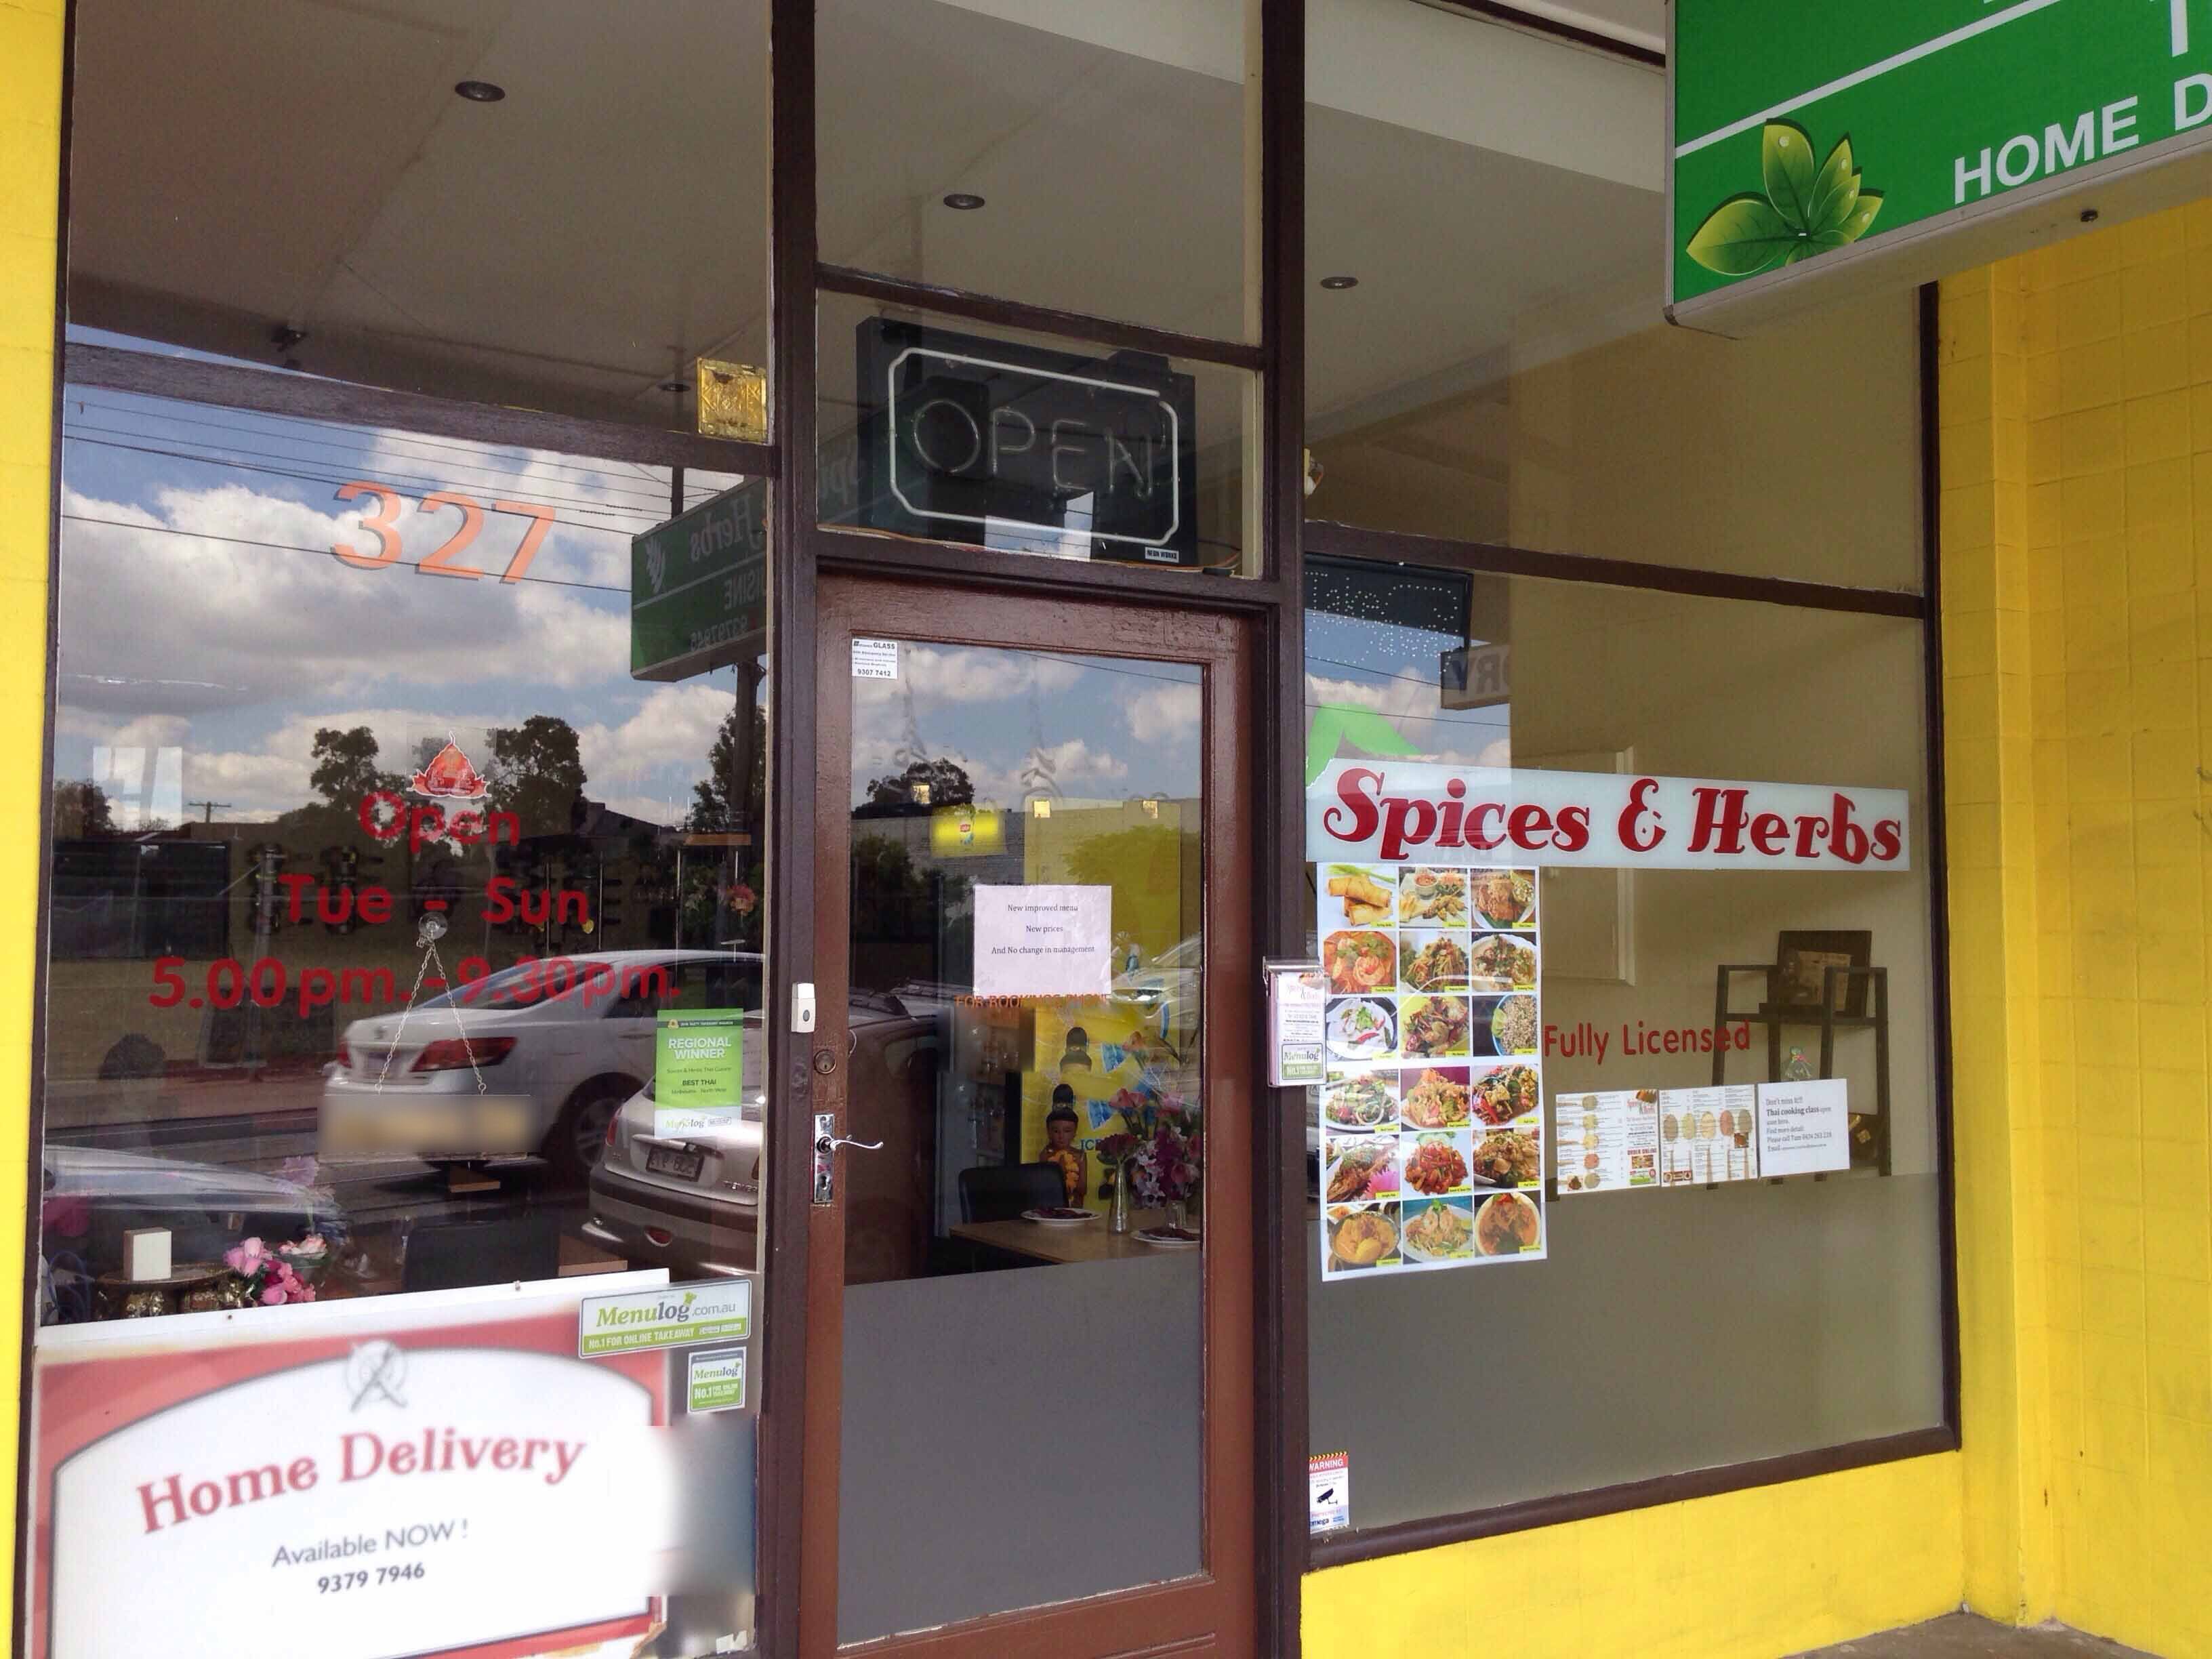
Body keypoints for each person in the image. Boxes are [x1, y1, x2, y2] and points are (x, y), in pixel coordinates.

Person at [1041, 1090, 1088, 1206]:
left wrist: (1070, 1179)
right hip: (1052, 1209)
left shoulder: (1080, 1155)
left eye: (1067, 1131)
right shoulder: (1045, 1154)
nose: (1061, 1136)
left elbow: (1083, 1190)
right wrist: (1059, 1171)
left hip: (1075, 1210)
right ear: (1049, 1132)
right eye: (1056, 1131)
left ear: (1075, 1132)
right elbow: (1042, 1188)